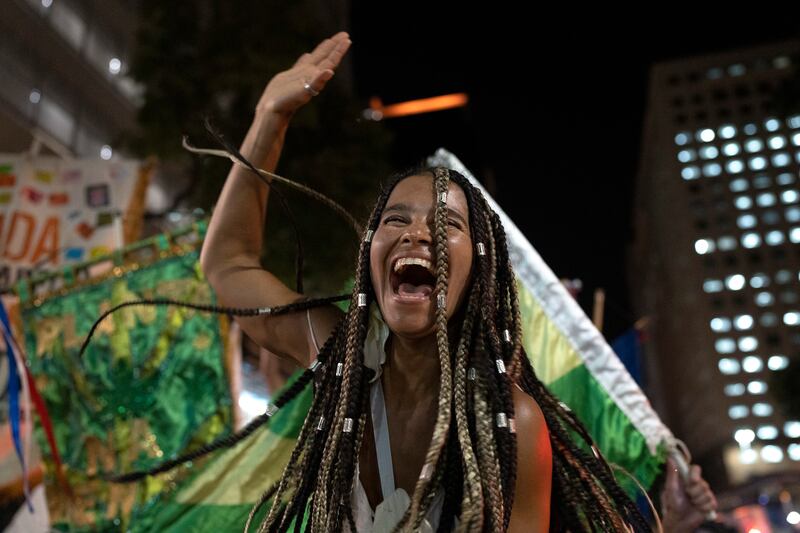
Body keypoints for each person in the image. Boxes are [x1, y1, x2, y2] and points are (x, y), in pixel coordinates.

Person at [195, 31, 715, 532]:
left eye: (447, 225)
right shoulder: (340, 357)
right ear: (369, 255)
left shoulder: (512, 422)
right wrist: (271, 117)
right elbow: (228, 266)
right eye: (395, 220)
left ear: (480, 270)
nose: (417, 234)